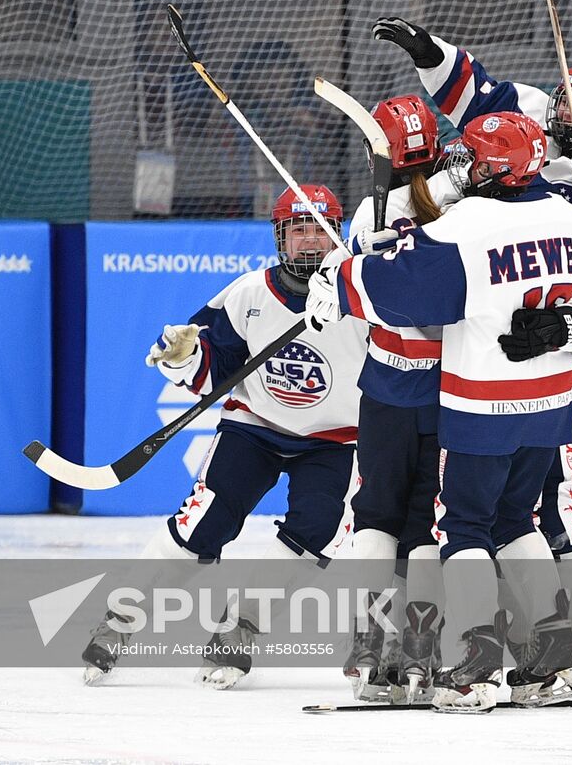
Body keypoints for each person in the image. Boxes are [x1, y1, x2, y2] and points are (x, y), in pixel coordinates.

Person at [307, 111, 572, 713]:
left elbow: (398, 289)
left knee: (457, 527)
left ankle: (472, 663)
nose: (460, 164)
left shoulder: (464, 223)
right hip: (550, 398)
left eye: (471, 156)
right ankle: (554, 654)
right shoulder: (562, 213)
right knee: (518, 520)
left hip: (476, 401)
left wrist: (336, 283)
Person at [375, 17, 572, 702]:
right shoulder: (547, 172)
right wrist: (434, 56)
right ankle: (560, 652)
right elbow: (479, 94)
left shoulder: (475, 218)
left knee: (493, 518)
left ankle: (502, 655)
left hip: (508, 386)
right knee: (527, 515)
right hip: (555, 378)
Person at [81, 185, 368, 689]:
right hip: (255, 425)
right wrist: (183, 358)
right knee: (201, 525)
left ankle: (239, 630)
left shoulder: (365, 293)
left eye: (319, 230)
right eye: (297, 230)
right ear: (280, 238)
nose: (310, 241)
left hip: (337, 440)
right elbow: (210, 369)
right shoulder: (249, 293)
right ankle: (120, 620)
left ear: (338, 234)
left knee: (316, 533)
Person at [340, 94, 460, 703]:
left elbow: (359, 293)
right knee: (427, 520)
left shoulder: (367, 214)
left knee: (376, 513)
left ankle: (370, 643)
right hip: (452, 390)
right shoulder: (468, 203)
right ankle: (419, 648)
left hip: (388, 386)